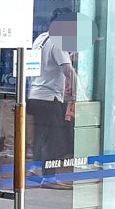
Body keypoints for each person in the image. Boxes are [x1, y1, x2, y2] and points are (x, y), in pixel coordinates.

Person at [26, 14, 78, 168]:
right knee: (53, 141)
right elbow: (68, 70)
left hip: (35, 95)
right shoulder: (58, 42)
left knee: (40, 137)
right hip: (49, 98)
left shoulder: (40, 39)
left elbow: (46, 63)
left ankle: (35, 170)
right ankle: (49, 177)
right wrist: (80, 91)